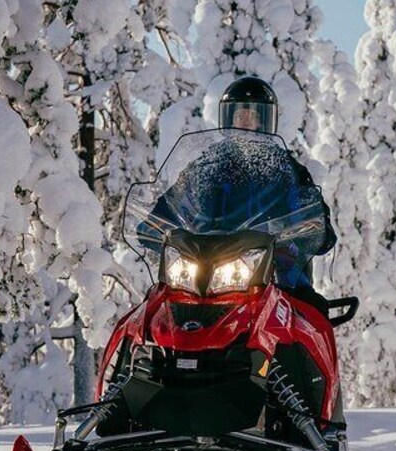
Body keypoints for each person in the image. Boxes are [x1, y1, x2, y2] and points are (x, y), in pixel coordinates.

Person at [138, 77, 336, 315]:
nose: (245, 122)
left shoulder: (285, 168)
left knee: (308, 315)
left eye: (253, 116)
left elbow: (307, 212)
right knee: (152, 312)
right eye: (240, 115)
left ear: (265, 121)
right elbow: (175, 202)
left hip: (271, 272)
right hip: (205, 268)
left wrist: (312, 230)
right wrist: (155, 227)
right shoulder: (207, 165)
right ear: (228, 118)